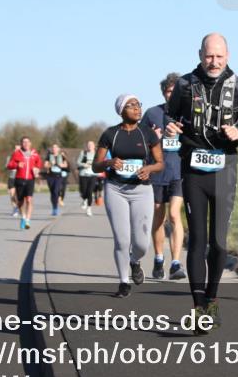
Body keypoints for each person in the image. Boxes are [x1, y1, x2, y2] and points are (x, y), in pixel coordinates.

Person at [166, 33, 238, 332]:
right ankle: (198, 307)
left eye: (219, 56)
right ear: (200, 54)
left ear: (228, 55)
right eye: (209, 56)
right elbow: (169, 120)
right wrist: (170, 128)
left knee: (219, 243)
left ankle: (212, 299)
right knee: (197, 239)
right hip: (194, 169)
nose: (214, 62)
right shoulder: (184, 85)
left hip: (224, 169)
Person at [93, 94, 163, 298]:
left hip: (142, 191)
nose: (137, 109)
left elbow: (160, 163)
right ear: (121, 110)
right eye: (131, 105)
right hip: (116, 189)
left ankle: (135, 261)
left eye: (138, 105)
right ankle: (123, 281)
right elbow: (95, 165)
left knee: (142, 243)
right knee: (122, 240)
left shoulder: (148, 134)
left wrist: (149, 168)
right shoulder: (110, 134)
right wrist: (109, 162)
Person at [143, 72, 186, 280]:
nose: (172, 94)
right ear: (164, 93)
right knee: (158, 218)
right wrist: (154, 139)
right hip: (158, 174)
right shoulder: (152, 114)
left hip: (179, 172)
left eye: (176, 91)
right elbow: (138, 142)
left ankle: (176, 263)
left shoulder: (188, 115)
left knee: (175, 215)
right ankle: (159, 258)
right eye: (169, 91)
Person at [7, 137, 42, 230]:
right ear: (21, 144)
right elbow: (9, 165)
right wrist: (17, 165)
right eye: (24, 142)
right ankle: (23, 216)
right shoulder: (17, 153)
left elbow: (39, 163)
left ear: (30, 143)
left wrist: (37, 170)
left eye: (27, 142)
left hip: (30, 179)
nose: (26, 144)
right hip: (19, 179)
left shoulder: (34, 153)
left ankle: (28, 220)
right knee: (20, 202)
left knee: (29, 200)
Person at [44, 143, 69, 216]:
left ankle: (56, 208)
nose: (54, 149)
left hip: (58, 176)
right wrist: (50, 164)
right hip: (50, 176)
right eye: (53, 148)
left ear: (58, 149)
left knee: (56, 191)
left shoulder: (61, 156)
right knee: (52, 193)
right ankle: (54, 207)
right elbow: (45, 165)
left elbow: (66, 165)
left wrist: (61, 165)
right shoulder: (49, 156)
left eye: (55, 147)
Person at [77, 141, 98, 216]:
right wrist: (84, 164)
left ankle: (89, 208)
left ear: (94, 146)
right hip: (83, 174)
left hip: (93, 175)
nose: (89, 146)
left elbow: (99, 163)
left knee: (90, 191)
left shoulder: (97, 154)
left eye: (91, 145)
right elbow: (78, 162)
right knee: (83, 190)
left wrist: (95, 165)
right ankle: (84, 199)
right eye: (88, 145)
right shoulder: (83, 153)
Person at [7, 144, 20, 217]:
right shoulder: (10, 157)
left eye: (18, 149)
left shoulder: (23, 157)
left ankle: (19, 207)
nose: (16, 150)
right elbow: (7, 166)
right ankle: (15, 208)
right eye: (15, 148)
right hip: (12, 177)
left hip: (20, 178)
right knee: (12, 194)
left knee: (18, 195)